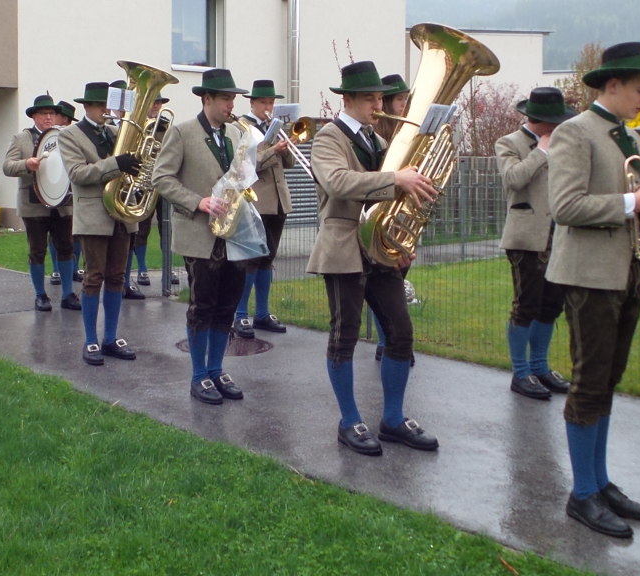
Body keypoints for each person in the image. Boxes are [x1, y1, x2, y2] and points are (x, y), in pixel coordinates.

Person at [546, 42, 640, 538]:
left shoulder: (630, 136)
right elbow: (565, 206)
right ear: (611, 85)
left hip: (627, 272)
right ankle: (582, 493)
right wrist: (634, 201)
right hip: (589, 276)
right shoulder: (575, 132)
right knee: (589, 380)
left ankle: (600, 481)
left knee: (609, 379)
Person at [308, 61, 441, 457]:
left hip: (380, 247)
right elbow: (337, 182)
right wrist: (395, 178)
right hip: (343, 246)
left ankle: (393, 419)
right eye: (370, 98)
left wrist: (403, 239)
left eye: (380, 98)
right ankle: (349, 421)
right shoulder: (328, 137)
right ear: (347, 99)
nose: (378, 105)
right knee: (344, 336)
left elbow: (395, 199)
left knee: (400, 332)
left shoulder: (378, 140)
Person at [152, 68, 251, 404]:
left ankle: (216, 370)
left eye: (233, 98)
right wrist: (198, 201)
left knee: (227, 306)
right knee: (202, 306)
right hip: (199, 233)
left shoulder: (236, 133)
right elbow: (161, 178)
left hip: (233, 234)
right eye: (225, 98)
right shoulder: (181, 133)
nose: (231, 104)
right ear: (206, 98)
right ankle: (198, 376)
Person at [495, 86, 576, 400]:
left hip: (560, 234)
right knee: (526, 304)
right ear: (540, 120)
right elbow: (513, 179)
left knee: (552, 303)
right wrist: (541, 151)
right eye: (555, 122)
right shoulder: (509, 143)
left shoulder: (562, 143)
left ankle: (540, 366)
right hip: (526, 237)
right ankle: (520, 373)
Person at [58, 82, 143, 366]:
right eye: (99, 105)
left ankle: (110, 338)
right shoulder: (70, 135)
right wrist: (117, 164)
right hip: (94, 214)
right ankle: (90, 340)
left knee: (117, 276)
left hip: (121, 213)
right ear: (86, 107)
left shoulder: (116, 133)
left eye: (108, 105)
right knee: (94, 277)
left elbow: (130, 167)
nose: (106, 110)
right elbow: (78, 174)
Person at [3, 94, 80, 312]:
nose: (48, 117)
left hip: (62, 203)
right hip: (33, 203)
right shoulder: (21, 139)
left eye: (52, 113)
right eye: (44, 113)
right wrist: (26, 164)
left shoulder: (65, 136)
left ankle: (67, 294)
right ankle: (40, 295)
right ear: (34, 116)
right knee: (37, 250)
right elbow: (8, 166)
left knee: (66, 247)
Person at [232, 79, 293, 338]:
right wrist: (272, 149)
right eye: (264, 102)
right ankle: (240, 315)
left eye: (271, 102)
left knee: (268, 258)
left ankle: (262, 313)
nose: (268, 107)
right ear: (253, 103)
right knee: (250, 259)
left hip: (278, 201)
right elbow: (245, 165)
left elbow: (289, 163)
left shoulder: (273, 127)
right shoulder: (241, 127)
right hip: (256, 201)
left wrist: (286, 146)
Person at [368, 73, 410, 361]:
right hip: (381, 216)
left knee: (397, 277)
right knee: (385, 283)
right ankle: (386, 339)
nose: (404, 105)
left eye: (406, 99)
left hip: (402, 216)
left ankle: (391, 339)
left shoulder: (407, 134)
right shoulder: (378, 138)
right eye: (399, 100)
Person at [129, 97, 171, 290]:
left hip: (162, 181)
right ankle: (142, 268)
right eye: (153, 102)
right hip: (142, 182)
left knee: (166, 228)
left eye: (159, 103)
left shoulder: (165, 126)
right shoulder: (137, 125)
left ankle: (167, 269)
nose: (156, 106)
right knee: (142, 227)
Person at [49, 101, 78, 289]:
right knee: (55, 236)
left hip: (72, 192)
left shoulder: (73, 136)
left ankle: (74, 268)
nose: (51, 117)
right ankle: (56, 269)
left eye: (55, 114)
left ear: (64, 119)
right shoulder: (49, 136)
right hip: (52, 191)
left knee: (75, 234)